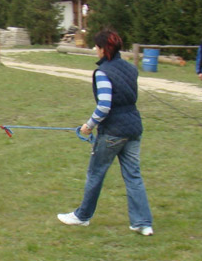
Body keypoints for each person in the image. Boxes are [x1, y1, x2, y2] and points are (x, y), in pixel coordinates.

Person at [57, 28, 154, 235]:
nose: (95, 50)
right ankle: (143, 223)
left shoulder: (102, 72)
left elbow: (104, 106)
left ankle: (82, 217)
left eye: (97, 46)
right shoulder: (131, 68)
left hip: (113, 132)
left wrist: (88, 125)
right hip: (134, 128)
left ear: (103, 49)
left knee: (95, 173)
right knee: (133, 176)